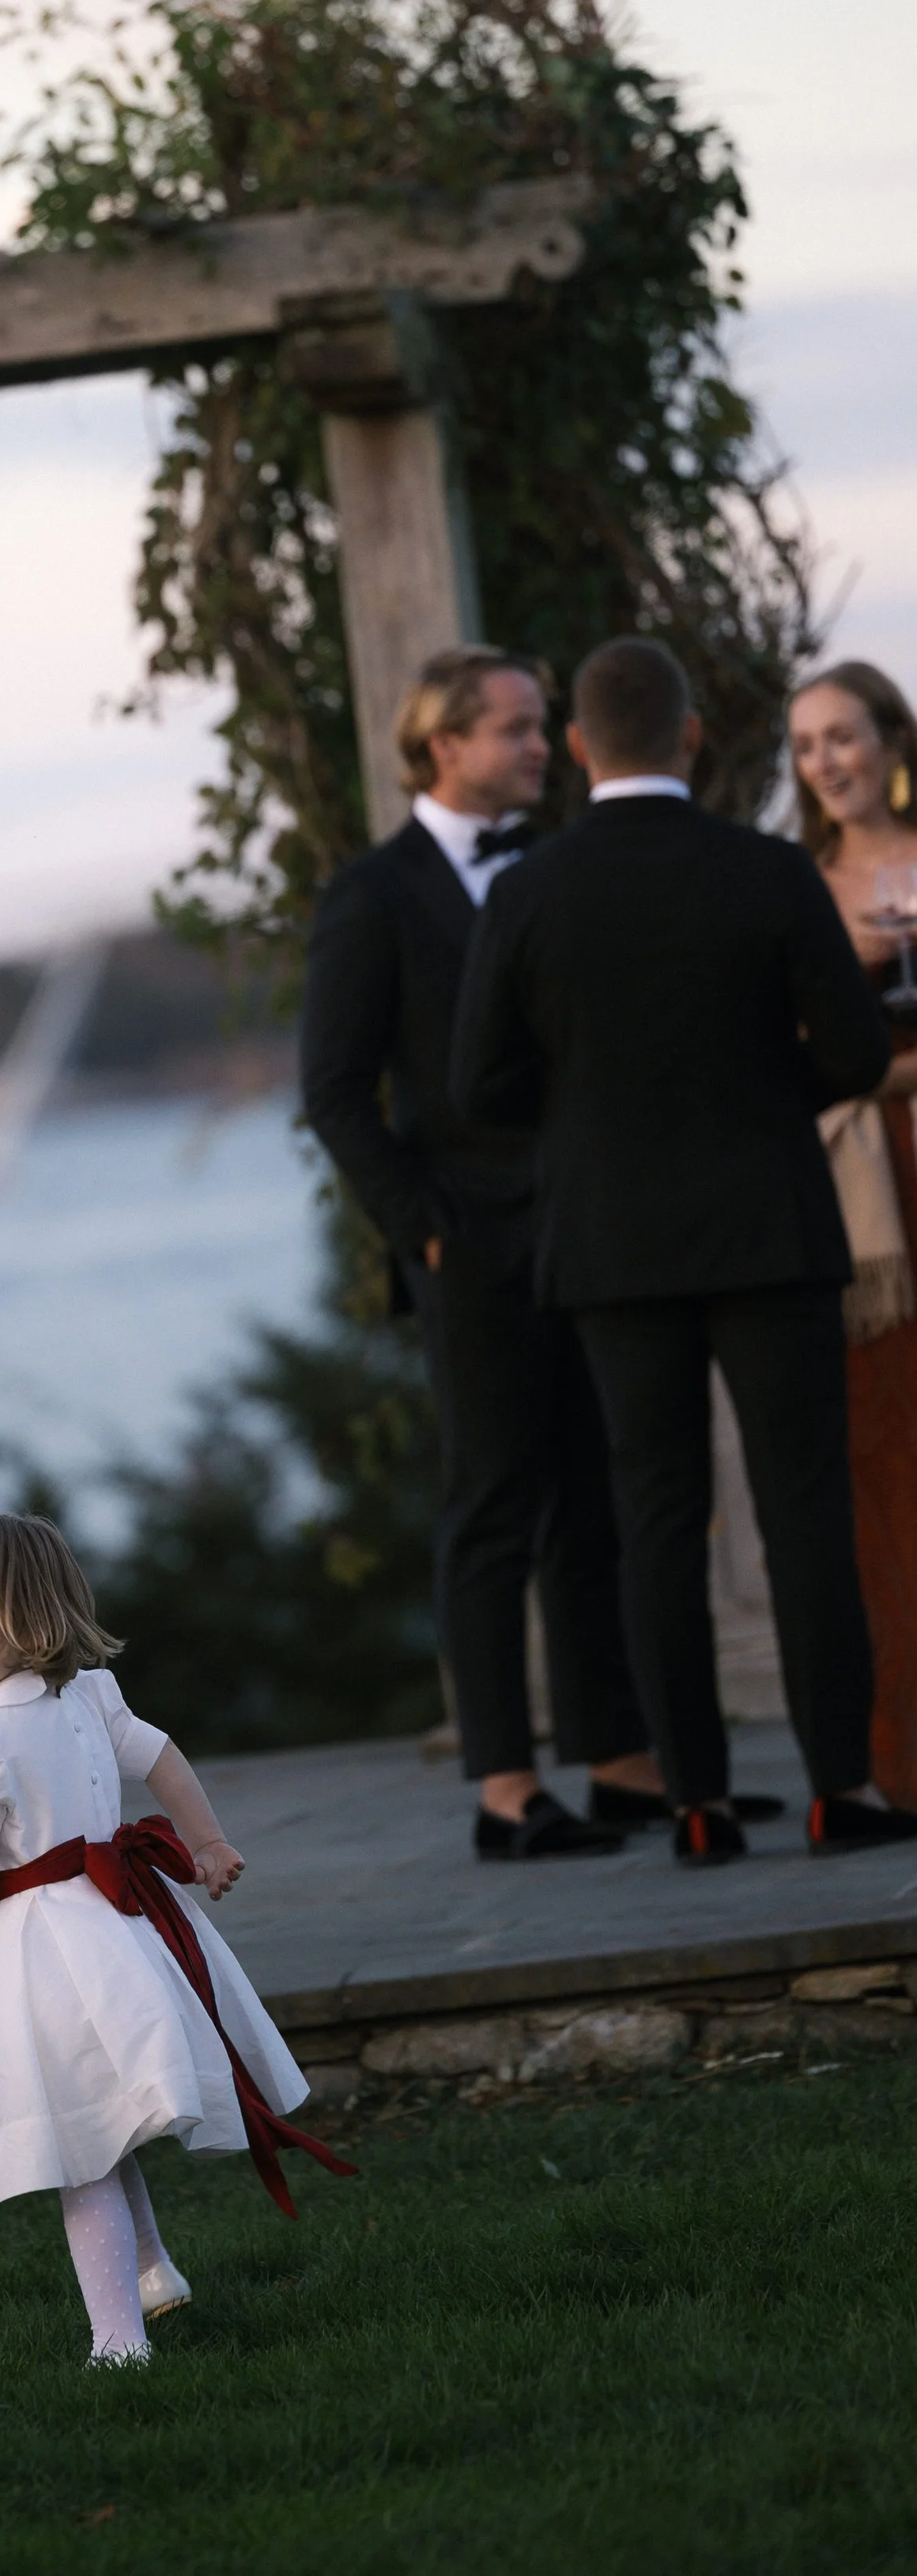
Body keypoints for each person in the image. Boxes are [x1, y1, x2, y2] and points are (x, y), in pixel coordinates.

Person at [453, 637, 910, 1862]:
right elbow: (862, 1058)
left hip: (611, 1251)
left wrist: (588, 1127)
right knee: (804, 1509)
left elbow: (477, 1087)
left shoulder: (528, 891)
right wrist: (772, 1088)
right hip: (771, 1229)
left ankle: (698, 1807)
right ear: (696, 736)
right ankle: (841, 1790)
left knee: (657, 1521)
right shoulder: (765, 870)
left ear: (586, 747)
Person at [300, 643, 663, 1859]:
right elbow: (337, 1090)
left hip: (581, 1224)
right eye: (513, 725)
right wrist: (425, 1230)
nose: (536, 743)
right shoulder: (374, 893)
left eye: (540, 721)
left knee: (594, 1497)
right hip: (468, 1241)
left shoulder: (554, 873)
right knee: (493, 1505)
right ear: (442, 742)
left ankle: (619, 1762)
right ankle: (505, 1787)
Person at [0, 1513, 353, 2366]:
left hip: (44, 1953)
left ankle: (119, 2342)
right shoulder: (87, 1697)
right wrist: (207, 1839)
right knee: (98, 2128)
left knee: (80, 2151)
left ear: (33, 1617)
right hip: (123, 1931)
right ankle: (151, 2272)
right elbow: (165, 1760)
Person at [787, 662, 917, 1809]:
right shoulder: (799, 888)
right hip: (870, 1199)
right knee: (890, 1470)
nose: (828, 760)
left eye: (845, 735)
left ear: (890, 737)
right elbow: (792, 1061)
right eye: (808, 744)